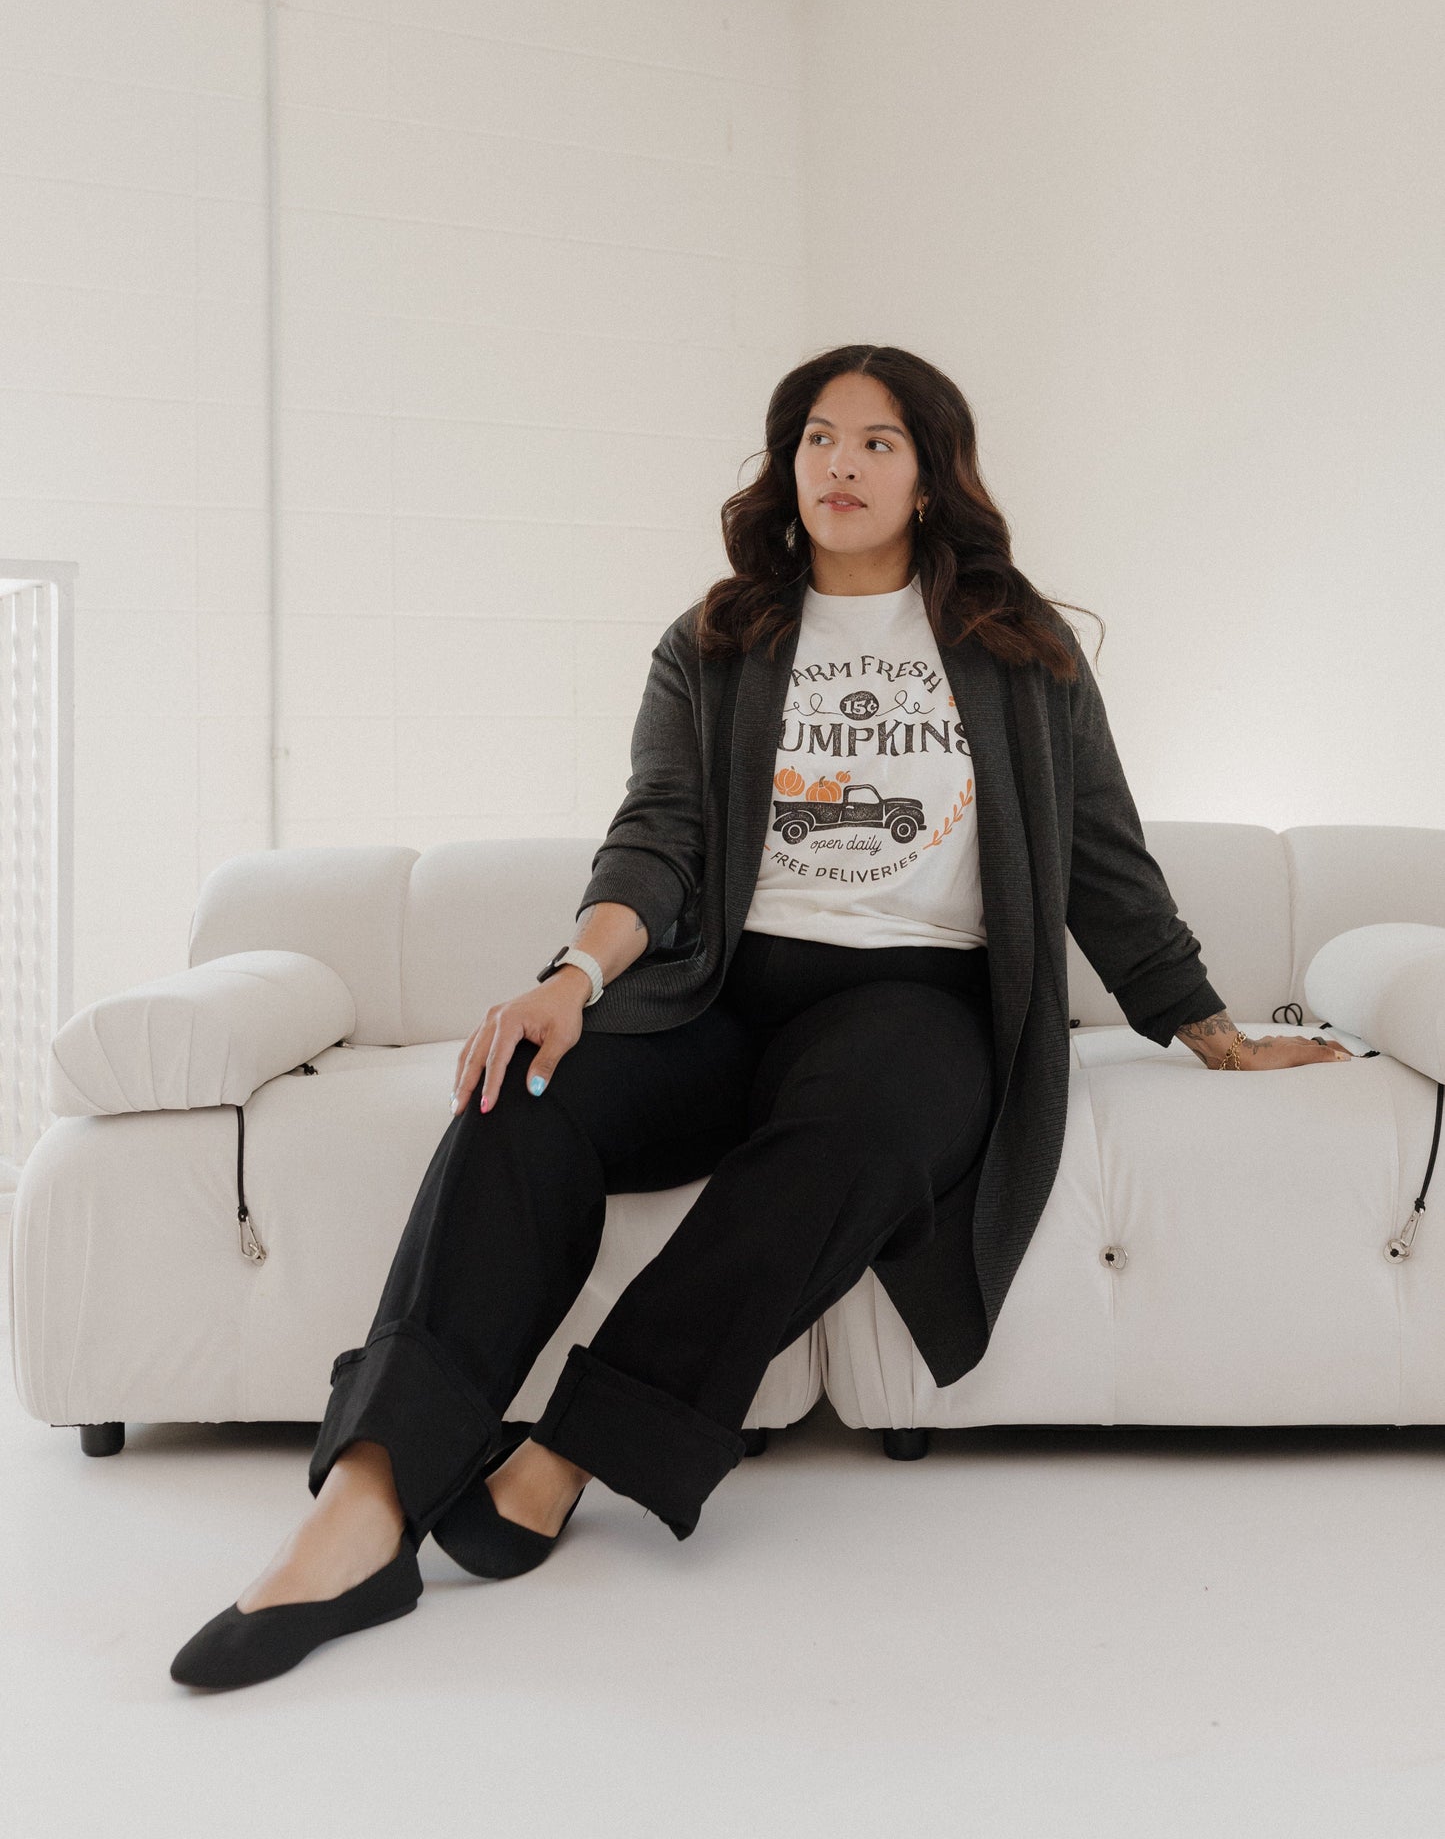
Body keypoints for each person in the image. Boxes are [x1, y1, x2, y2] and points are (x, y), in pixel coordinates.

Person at [170, 344, 1354, 1690]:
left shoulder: (1015, 649)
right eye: (816, 439)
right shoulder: (720, 640)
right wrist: (570, 982)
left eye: (876, 442)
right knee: (521, 1091)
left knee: (861, 1130)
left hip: (917, 1003)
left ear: (928, 476)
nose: (839, 463)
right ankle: (366, 1506)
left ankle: (568, 1450)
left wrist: (1209, 1029)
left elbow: (1101, 857)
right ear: (786, 467)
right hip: (719, 992)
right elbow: (657, 840)